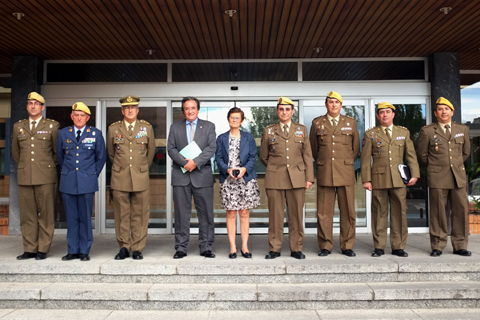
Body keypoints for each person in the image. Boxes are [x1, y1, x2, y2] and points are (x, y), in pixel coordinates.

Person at [360, 102, 420, 257]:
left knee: (399, 213)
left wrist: (414, 174)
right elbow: (366, 159)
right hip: (378, 179)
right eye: (381, 112)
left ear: (393, 114)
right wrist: (366, 180)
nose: (385, 115)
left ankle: (398, 246)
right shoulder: (371, 134)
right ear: (377, 116)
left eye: (387, 112)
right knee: (379, 213)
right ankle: (379, 246)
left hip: (399, 179)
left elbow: (411, 155)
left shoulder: (403, 132)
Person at [260, 97, 314, 260]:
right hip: (275, 178)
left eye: (287, 109)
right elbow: (263, 156)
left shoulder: (301, 130)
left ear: (292, 111)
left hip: (297, 178)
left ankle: (296, 248)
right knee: (275, 215)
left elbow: (307, 155)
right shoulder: (269, 130)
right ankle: (274, 248)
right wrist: (276, 167)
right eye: (281, 109)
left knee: (296, 214)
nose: (284, 112)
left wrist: (308, 177)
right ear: (277, 111)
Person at [417, 97, 471, 257]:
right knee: (438, 212)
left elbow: (466, 152)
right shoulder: (427, 131)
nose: (443, 111)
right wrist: (436, 167)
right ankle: (438, 245)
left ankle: (460, 245)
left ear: (452, 112)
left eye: (446, 109)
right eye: (440, 109)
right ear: (435, 113)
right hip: (438, 177)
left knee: (460, 211)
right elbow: (422, 154)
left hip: (458, 177)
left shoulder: (462, 129)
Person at [309, 91, 360, 257]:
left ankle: (347, 245)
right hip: (325, 172)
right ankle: (325, 245)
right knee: (324, 212)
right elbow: (314, 149)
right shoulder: (317, 123)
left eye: (336, 102)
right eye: (330, 102)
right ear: (326, 104)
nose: (333, 105)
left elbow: (355, 149)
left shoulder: (350, 122)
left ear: (341, 105)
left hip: (345, 172)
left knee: (348, 211)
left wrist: (344, 162)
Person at [107, 95, 156, 260]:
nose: (130, 110)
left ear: (137, 110)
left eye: (133, 107)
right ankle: (123, 247)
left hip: (140, 176)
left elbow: (150, 153)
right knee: (122, 214)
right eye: (127, 108)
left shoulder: (146, 128)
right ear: (122, 110)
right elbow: (111, 154)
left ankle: (137, 248)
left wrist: (140, 169)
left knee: (140, 213)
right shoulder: (113, 128)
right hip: (120, 177)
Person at [167, 97, 217, 259]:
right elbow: (171, 148)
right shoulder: (175, 127)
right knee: (182, 214)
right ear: (183, 110)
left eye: (193, 108)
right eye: (187, 108)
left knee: (206, 214)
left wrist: (195, 162)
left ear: (198, 109)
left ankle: (206, 246)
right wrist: (184, 163)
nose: (190, 111)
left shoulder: (209, 126)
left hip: (202, 175)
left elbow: (211, 148)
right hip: (181, 176)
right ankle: (181, 247)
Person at [12, 92, 59, 260]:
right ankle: (30, 248)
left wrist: (43, 166)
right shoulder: (19, 126)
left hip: (46, 176)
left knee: (46, 215)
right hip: (25, 176)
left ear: (42, 107)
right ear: (26, 107)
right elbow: (16, 152)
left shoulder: (52, 126)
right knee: (27, 215)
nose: (33, 106)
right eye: (30, 103)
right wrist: (27, 167)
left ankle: (43, 248)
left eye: (36, 104)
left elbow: (56, 153)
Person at [57, 103, 106, 261]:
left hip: (87, 181)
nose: (79, 118)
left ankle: (84, 250)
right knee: (71, 217)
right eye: (76, 115)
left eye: (82, 115)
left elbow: (101, 158)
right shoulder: (63, 134)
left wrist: (91, 174)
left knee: (85, 217)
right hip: (68, 180)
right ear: (72, 117)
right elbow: (60, 156)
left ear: (88, 117)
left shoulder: (95, 134)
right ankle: (72, 250)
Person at [216, 107, 260, 259]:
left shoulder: (249, 138)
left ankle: (245, 247)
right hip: (228, 181)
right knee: (230, 213)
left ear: (241, 121)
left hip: (245, 180)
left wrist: (244, 169)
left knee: (244, 213)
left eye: (237, 118)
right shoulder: (221, 138)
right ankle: (233, 247)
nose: (234, 120)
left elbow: (254, 156)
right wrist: (227, 170)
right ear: (228, 119)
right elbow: (218, 158)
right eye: (232, 117)